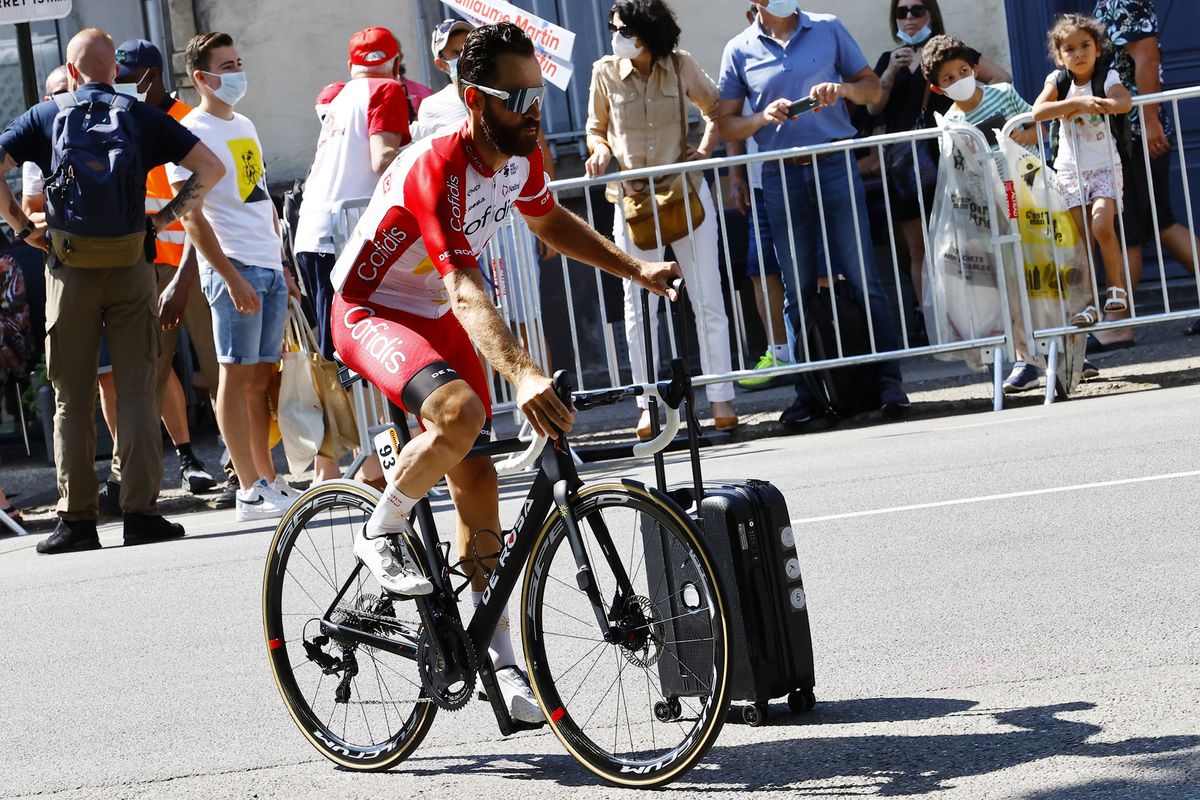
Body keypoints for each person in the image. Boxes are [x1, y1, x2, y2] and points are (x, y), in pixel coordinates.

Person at [330, 22, 679, 723]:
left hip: (433, 309)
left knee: (479, 478)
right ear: (472, 100)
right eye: (513, 96)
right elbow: (463, 287)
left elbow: (549, 222)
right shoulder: (436, 166)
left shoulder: (521, 153)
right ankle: (379, 528)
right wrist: (521, 373)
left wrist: (634, 267)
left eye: (536, 94)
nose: (531, 109)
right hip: (370, 307)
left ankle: (492, 650)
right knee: (458, 416)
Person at [0, 28, 225, 554]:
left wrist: (20, 226)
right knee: (140, 392)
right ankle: (141, 513)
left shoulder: (44, 115)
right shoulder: (143, 116)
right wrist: (164, 216)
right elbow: (209, 169)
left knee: (71, 396)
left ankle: (76, 522)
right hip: (132, 268)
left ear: (73, 71)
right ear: (112, 72)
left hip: (68, 268)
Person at [718, 1, 910, 428]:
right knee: (796, 288)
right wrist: (760, 118)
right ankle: (810, 391)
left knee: (863, 276)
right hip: (780, 174)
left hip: (835, 164)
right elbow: (726, 124)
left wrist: (841, 91)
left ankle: (889, 381)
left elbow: (872, 89)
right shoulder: (739, 48)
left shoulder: (828, 27)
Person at [586, 0, 738, 437]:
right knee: (639, 306)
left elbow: (716, 110)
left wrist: (705, 150)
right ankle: (647, 404)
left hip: (686, 193)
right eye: (613, 28)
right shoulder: (604, 70)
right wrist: (600, 151)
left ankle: (721, 399)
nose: (614, 36)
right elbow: (595, 129)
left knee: (707, 295)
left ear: (645, 31)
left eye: (621, 29)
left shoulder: (680, 65)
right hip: (632, 200)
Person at [168, 32, 299, 522]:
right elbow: (191, 218)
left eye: (239, 61)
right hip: (232, 268)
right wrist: (230, 276)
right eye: (227, 65)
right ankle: (246, 485)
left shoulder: (244, 123)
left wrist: (280, 265)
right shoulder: (189, 134)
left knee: (261, 377)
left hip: (265, 264)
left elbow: (259, 194)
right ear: (202, 77)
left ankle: (267, 478)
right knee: (234, 373)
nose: (238, 72)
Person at [923, 34, 1098, 392]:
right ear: (937, 88)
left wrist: (1025, 136)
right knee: (1011, 283)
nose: (959, 79)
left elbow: (1034, 125)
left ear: (973, 67)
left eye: (962, 70)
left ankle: (1067, 349)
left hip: (1029, 196)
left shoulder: (1001, 93)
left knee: (1046, 272)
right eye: (948, 78)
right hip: (992, 211)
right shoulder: (951, 123)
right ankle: (1026, 357)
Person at [294, 27, 412, 484]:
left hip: (315, 232)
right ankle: (372, 461)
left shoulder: (341, 97)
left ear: (351, 64)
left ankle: (336, 463)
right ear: (396, 59)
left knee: (342, 350)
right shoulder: (388, 89)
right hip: (349, 235)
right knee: (371, 345)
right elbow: (384, 158)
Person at [868, 0, 1010, 313]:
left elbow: (1001, 79)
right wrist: (892, 69)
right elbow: (873, 106)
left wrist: (976, 115)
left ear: (931, 13)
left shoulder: (952, 54)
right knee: (918, 247)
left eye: (916, 10)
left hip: (951, 158)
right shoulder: (888, 60)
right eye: (901, 12)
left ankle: (980, 314)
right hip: (905, 167)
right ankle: (933, 318)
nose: (909, 18)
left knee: (967, 238)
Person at [1092, 0, 1200, 344]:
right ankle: (1117, 323)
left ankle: (1117, 324)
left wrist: (1151, 122)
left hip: (1135, 133)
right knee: (1142, 226)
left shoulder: (1122, 2)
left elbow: (1146, 56)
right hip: (1125, 134)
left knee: (1145, 226)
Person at [728, 4, 793, 393]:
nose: (760, 11)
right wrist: (735, 174)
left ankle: (820, 345)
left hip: (806, 173)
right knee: (761, 269)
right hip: (758, 183)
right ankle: (781, 352)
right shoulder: (740, 51)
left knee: (815, 266)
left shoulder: (801, 46)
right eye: (754, 7)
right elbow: (729, 117)